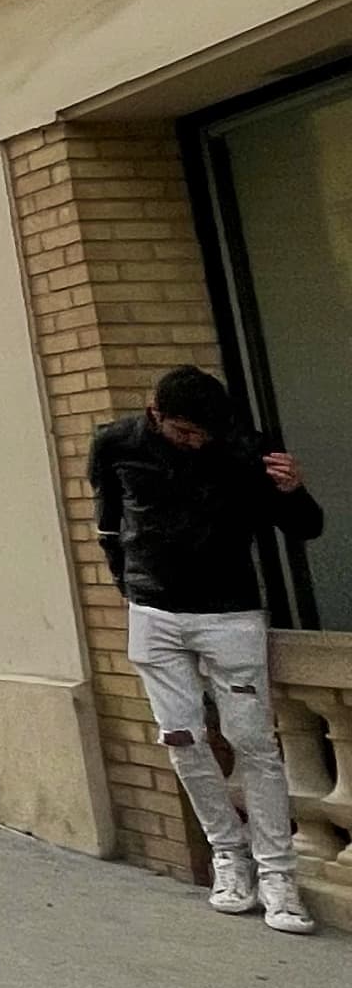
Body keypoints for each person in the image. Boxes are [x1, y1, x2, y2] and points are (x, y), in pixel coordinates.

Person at [87, 365, 325, 934]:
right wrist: (130, 587)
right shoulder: (115, 443)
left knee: (254, 744)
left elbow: (306, 527)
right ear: (156, 414)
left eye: (205, 433)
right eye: (186, 432)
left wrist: (293, 490)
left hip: (230, 612)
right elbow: (107, 524)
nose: (197, 442)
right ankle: (228, 856)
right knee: (183, 741)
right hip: (155, 613)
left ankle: (278, 874)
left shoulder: (244, 445)